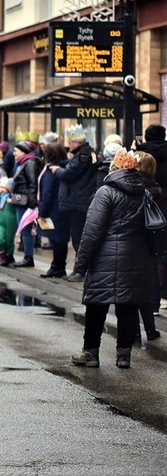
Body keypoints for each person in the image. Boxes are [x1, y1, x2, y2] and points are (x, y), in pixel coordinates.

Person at [71, 150, 150, 369]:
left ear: (114, 168)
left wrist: (80, 265)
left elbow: (92, 231)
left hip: (104, 257)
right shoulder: (143, 192)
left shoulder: (106, 192)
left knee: (96, 306)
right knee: (127, 306)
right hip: (135, 256)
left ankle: (90, 353)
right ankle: (124, 355)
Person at [53, 125, 98, 270]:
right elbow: (72, 165)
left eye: (70, 142)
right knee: (79, 238)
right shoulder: (84, 154)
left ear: (77, 143)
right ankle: (81, 268)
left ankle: (81, 270)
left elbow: (68, 174)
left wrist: (57, 170)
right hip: (80, 202)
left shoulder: (83, 156)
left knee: (78, 238)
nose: (68, 145)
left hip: (78, 203)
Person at [134, 151, 163, 345]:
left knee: (131, 292)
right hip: (151, 244)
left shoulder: (136, 188)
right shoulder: (157, 189)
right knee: (147, 284)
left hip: (135, 242)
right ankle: (151, 328)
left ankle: (134, 332)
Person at [38, 142, 71, 278]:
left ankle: (56, 267)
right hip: (63, 209)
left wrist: (42, 212)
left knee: (56, 240)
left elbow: (47, 193)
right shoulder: (65, 168)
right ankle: (59, 266)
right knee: (61, 240)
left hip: (53, 210)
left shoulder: (51, 171)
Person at [10, 141, 40, 267]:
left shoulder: (30, 163)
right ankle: (27, 257)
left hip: (25, 202)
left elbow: (32, 184)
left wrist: (32, 204)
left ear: (23, 151)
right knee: (24, 230)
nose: (14, 153)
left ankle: (28, 258)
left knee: (26, 231)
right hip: (20, 201)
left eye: (16, 150)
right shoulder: (23, 163)